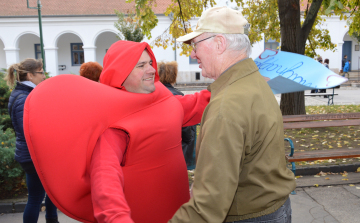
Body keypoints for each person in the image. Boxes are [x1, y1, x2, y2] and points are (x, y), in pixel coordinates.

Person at [23, 41, 210, 223]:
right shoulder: (115, 125)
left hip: (179, 212)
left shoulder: (162, 98)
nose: (152, 69)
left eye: (151, 63)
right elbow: (105, 180)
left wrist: (228, 87)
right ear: (121, 73)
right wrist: (116, 217)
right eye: (141, 65)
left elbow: (193, 105)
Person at [169, 7, 296, 223]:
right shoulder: (254, 80)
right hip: (275, 207)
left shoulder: (227, 105)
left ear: (219, 43)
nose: (192, 53)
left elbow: (208, 204)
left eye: (195, 45)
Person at [5, 58, 59, 223]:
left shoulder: (25, 93)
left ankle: (52, 219)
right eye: (41, 73)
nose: (44, 76)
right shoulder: (23, 97)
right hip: (33, 155)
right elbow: (29, 130)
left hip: (31, 153)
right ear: (29, 75)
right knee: (36, 197)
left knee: (52, 191)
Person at [158, 61, 196, 168]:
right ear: (173, 76)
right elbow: (185, 127)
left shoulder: (152, 94)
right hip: (175, 146)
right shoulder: (178, 96)